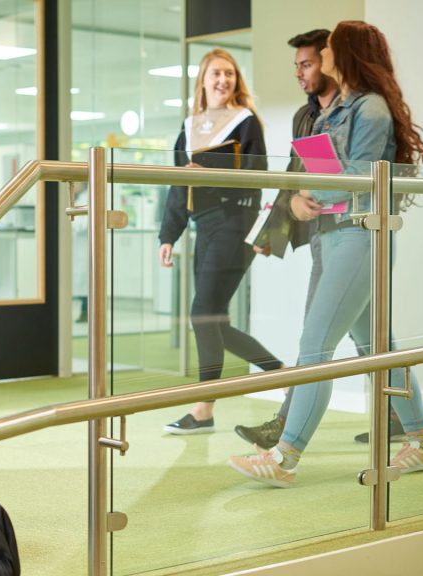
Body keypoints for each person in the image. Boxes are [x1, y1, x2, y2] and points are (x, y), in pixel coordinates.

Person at [229, 21, 423, 487]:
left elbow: (358, 177)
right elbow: (320, 168)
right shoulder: (336, 109)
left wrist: (307, 188)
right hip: (335, 233)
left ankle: (284, 457)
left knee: (315, 348)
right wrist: (300, 200)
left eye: (326, 54)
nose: (321, 63)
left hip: (361, 235)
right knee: (377, 348)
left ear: (346, 56)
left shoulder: (373, 109)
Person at [158, 48, 284, 435]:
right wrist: (168, 235)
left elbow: (257, 171)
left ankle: (203, 408)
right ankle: (282, 375)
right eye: (215, 73)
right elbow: (181, 183)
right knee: (214, 320)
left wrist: (206, 168)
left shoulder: (246, 121)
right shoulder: (190, 125)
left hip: (235, 222)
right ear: (203, 80)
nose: (223, 80)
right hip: (203, 225)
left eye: (229, 74)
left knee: (202, 315)